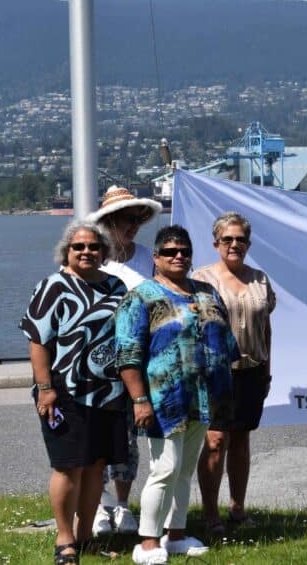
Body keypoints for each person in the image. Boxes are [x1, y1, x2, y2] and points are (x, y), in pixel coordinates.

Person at [116, 225, 239, 565]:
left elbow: (226, 343)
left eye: (184, 250)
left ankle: (177, 534)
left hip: (204, 397)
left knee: (185, 469)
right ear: (156, 258)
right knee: (164, 468)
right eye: (170, 251)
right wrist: (139, 400)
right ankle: (148, 541)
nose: (179, 256)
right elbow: (127, 354)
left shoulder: (206, 292)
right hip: (163, 399)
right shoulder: (141, 296)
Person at [20, 221, 128, 565]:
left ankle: (85, 536)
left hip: (108, 393)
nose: (86, 252)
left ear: (104, 252)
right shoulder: (54, 286)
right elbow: (37, 340)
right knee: (68, 466)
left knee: (97, 467)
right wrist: (45, 388)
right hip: (65, 391)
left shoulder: (117, 286)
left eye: (94, 247)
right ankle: (64, 539)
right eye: (79, 246)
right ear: (67, 250)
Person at [194, 212, 276, 535]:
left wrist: (268, 369)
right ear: (216, 243)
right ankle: (210, 514)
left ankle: (238, 509)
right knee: (215, 441)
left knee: (241, 440)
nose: (234, 244)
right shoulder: (201, 279)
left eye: (240, 239)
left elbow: (265, 326)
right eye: (227, 239)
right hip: (216, 373)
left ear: (248, 243)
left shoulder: (260, 279)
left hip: (252, 371)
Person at [88, 185, 162, 536]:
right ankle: (101, 504)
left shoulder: (148, 257)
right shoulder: (93, 258)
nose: (133, 225)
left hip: (139, 360)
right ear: (109, 221)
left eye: (137, 219)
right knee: (99, 433)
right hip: (98, 361)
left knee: (129, 437)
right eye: (126, 219)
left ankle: (122, 503)